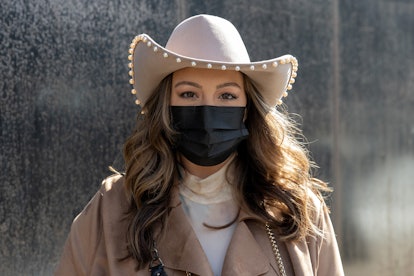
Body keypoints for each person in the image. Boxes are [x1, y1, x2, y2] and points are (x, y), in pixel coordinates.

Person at [55, 14, 344, 275]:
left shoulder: (296, 210)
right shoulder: (111, 209)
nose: (207, 112)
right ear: (166, 106)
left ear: (247, 109)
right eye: (189, 94)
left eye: (227, 96)